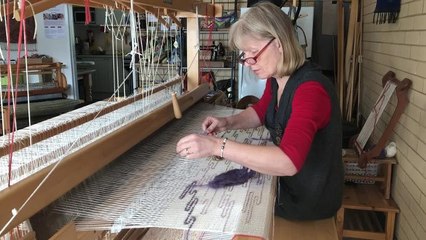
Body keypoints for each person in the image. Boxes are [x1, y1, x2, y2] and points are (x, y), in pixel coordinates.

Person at [176, 1, 343, 221]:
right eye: (245, 54)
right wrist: (227, 123)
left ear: (280, 43)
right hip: (288, 189)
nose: (247, 62)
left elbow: (288, 161)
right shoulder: (278, 79)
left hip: (308, 202)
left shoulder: (311, 90)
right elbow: (261, 112)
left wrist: (217, 146)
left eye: (253, 52)